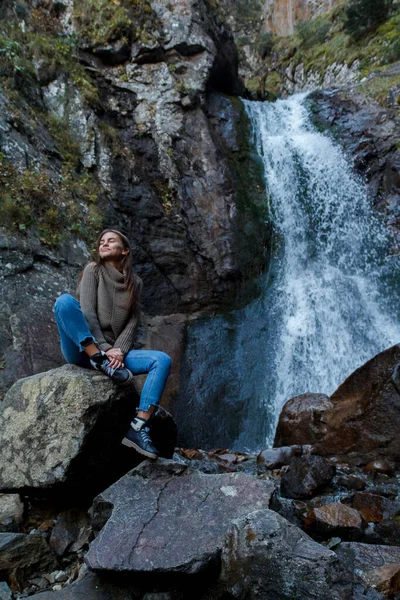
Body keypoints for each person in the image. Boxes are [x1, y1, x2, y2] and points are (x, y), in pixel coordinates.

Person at [53, 228, 172, 460]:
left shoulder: (135, 283)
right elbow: (87, 312)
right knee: (65, 302)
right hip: (84, 350)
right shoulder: (93, 270)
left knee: (161, 360)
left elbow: (132, 323)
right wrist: (104, 351)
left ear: (125, 249)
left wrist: (119, 352)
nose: (104, 244)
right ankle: (97, 360)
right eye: (101, 242)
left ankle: (138, 426)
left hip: (113, 357)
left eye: (111, 241)